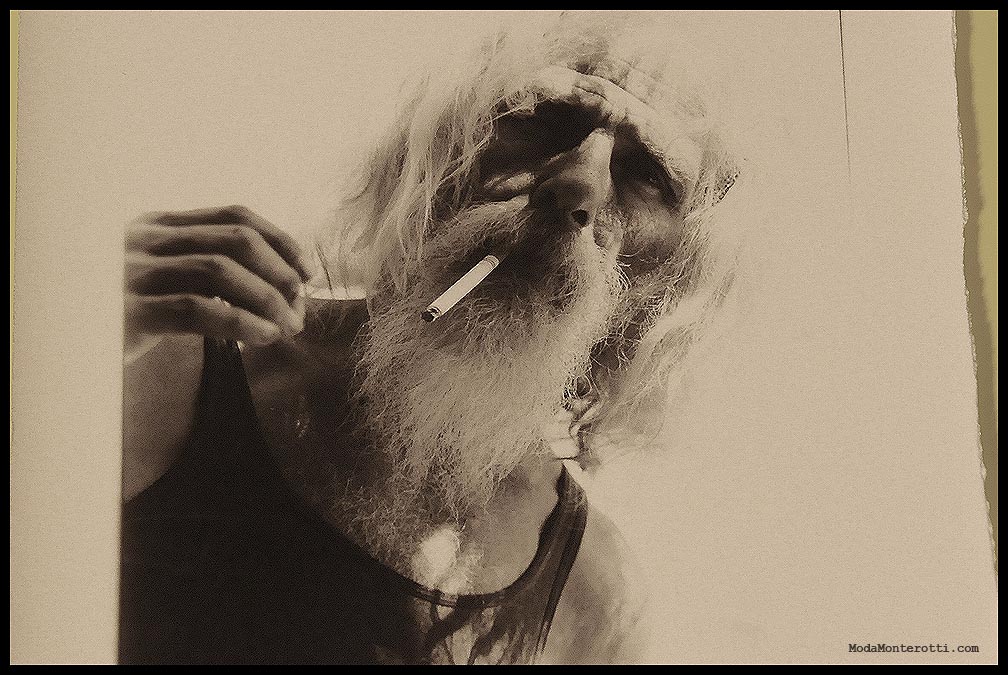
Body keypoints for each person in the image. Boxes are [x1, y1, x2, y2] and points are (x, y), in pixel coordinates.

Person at [118, 12, 742, 665]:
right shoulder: (183, 366)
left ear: (674, 273)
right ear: (445, 150)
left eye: (645, 173)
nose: (577, 187)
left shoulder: (592, 599)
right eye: (548, 120)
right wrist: (63, 333)